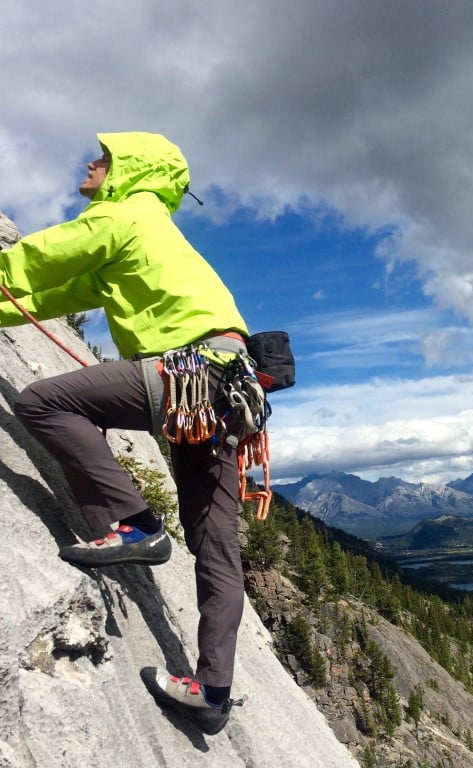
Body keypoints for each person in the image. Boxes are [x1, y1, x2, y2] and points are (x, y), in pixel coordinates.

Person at [0, 132, 249, 735]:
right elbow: (52, 293)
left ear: (129, 171)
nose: (91, 162)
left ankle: (134, 522)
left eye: (104, 158)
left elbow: (32, 261)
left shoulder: (124, 212)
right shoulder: (150, 231)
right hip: (230, 391)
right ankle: (212, 692)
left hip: (184, 372)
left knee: (43, 403)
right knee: (216, 545)